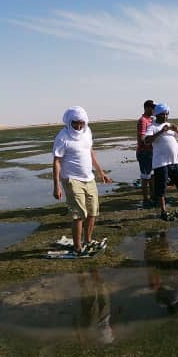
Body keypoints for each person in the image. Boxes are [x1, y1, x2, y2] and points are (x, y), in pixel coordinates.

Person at [52, 106, 113, 257]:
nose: (78, 126)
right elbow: (57, 162)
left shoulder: (87, 132)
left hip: (89, 178)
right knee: (79, 214)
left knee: (92, 212)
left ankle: (88, 240)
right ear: (69, 122)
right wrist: (56, 186)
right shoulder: (63, 137)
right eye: (75, 123)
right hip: (72, 180)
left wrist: (101, 172)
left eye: (81, 123)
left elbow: (90, 153)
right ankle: (77, 248)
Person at [144, 103, 178, 221]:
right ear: (157, 115)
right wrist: (161, 131)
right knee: (161, 190)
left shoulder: (170, 126)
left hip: (175, 162)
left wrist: (177, 130)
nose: (165, 116)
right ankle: (163, 211)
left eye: (167, 114)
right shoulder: (152, 127)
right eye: (162, 114)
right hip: (161, 164)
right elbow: (146, 141)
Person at [136, 99, 156, 208]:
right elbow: (142, 139)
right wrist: (152, 140)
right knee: (145, 177)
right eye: (152, 107)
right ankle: (145, 199)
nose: (154, 110)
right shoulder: (143, 120)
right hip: (144, 153)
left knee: (152, 176)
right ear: (147, 108)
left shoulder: (151, 120)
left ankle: (153, 196)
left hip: (151, 152)